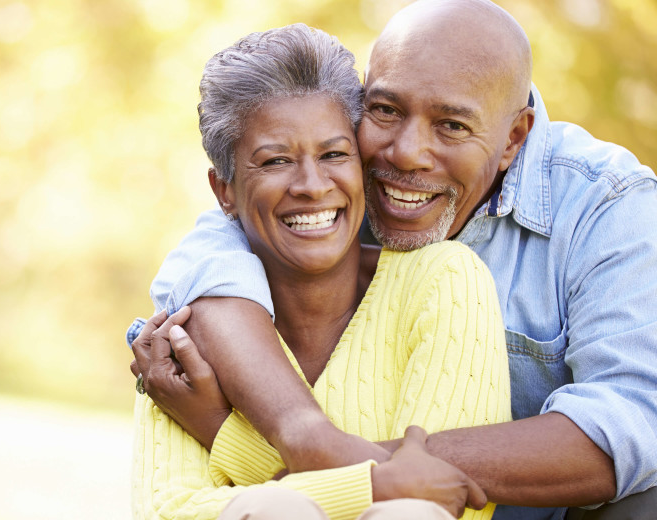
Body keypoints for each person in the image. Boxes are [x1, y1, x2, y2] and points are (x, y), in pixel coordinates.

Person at [129, 0, 657, 519]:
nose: (405, 153)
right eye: (386, 110)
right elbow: (209, 259)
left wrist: (262, 442)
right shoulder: (331, 182)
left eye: (451, 125)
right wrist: (318, 446)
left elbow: (632, 423)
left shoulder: (607, 205)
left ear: (513, 137)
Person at [130, 23, 513, 520]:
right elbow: (172, 509)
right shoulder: (187, 331)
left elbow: (440, 505)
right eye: (276, 161)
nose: (312, 185)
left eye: (334, 154)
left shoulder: (443, 282)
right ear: (224, 190)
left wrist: (224, 433)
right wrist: (373, 486)